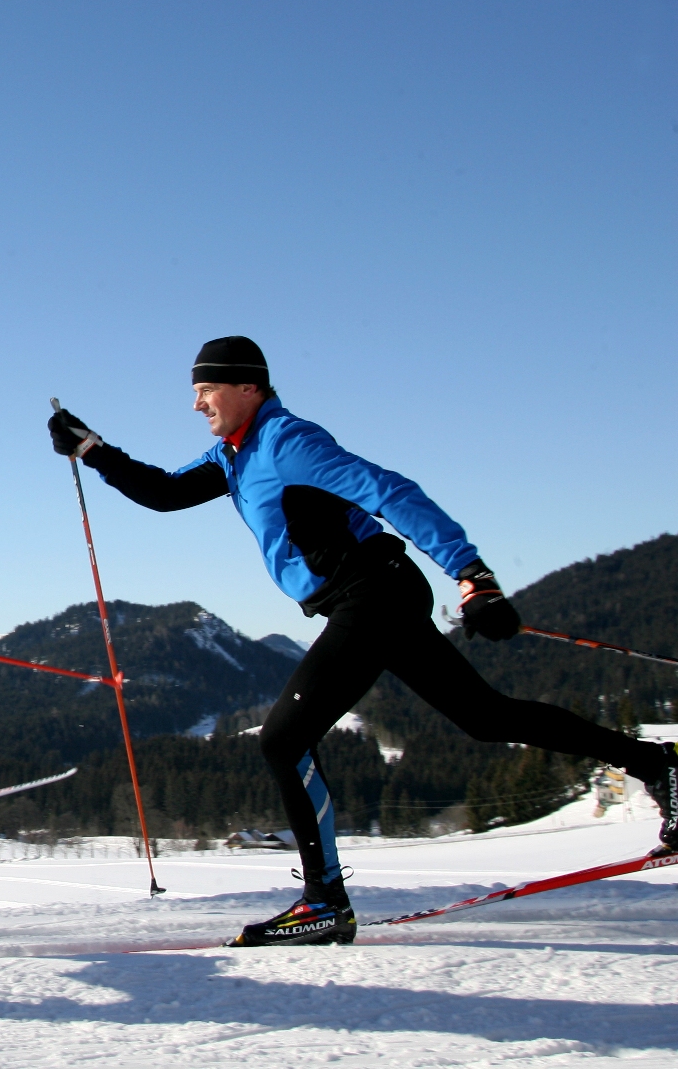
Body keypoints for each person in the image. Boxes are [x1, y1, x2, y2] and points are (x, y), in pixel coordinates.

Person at [47, 336, 678, 947]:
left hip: (371, 594)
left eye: (205, 389)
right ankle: (660, 767)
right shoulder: (233, 454)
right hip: (369, 598)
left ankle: (323, 903)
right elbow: (165, 494)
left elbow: (389, 490)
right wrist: (93, 449)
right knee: (485, 717)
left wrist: (472, 574)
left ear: (248, 386)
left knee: (283, 740)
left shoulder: (287, 440)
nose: (196, 404)